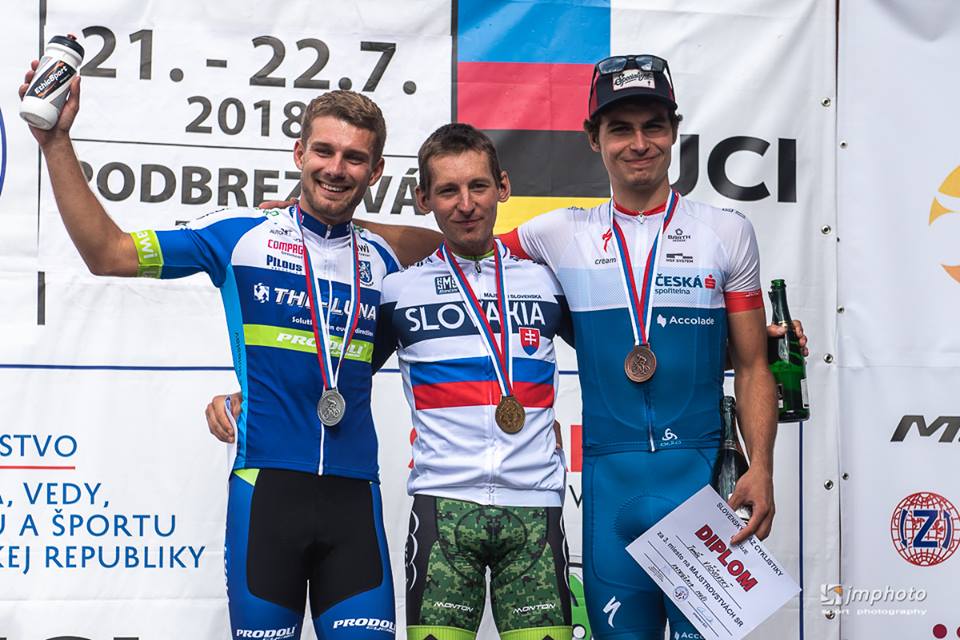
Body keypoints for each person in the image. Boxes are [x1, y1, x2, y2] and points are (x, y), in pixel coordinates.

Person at [19, 59, 436, 639]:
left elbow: (471, 245)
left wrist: (350, 225)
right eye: (323, 151)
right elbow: (107, 253)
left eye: (354, 158)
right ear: (299, 153)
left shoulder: (388, 253)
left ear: (376, 170)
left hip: (354, 499)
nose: (336, 169)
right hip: (265, 497)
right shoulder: (239, 235)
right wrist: (56, 142)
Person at [211, 123, 575, 640]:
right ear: (423, 199)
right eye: (447, 190)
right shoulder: (399, 289)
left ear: (503, 187)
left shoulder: (546, 280)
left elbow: (607, 359)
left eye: (478, 186)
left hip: (535, 506)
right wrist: (247, 393)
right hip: (442, 507)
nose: (465, 203)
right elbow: (339, 370)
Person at [491, 54, 778, 640]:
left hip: (702, 487)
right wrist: (346, 229)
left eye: (654, 126)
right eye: (620, 128)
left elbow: (753, 365)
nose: (639, 143)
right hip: (608, 492)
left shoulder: (726, 232)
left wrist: (764, 468)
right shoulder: (558, 233)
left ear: (675, 132)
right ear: (593, 138)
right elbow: (463, 250)